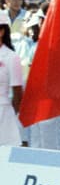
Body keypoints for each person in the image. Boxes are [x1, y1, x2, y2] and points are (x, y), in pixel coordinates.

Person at [0, 10, 23, 147]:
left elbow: (17, 92)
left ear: (2, 31)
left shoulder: (11, 57)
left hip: (3, 112)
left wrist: (13, 113)